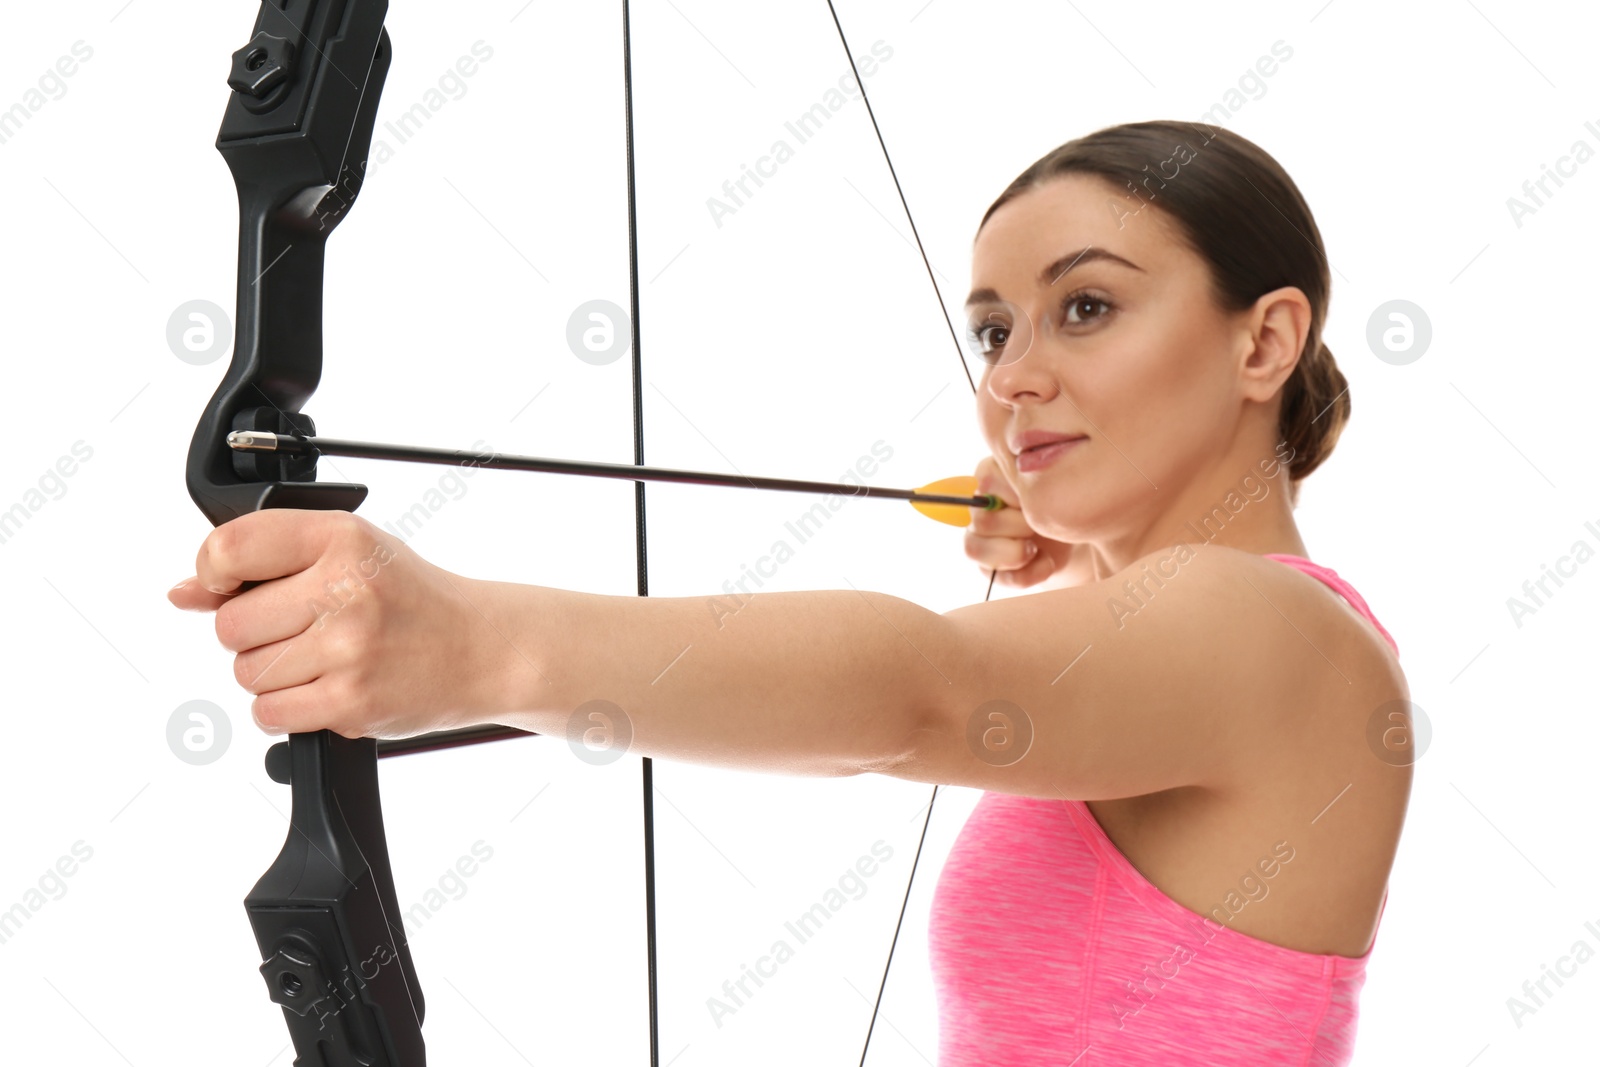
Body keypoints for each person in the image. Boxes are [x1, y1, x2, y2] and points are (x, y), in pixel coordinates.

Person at [169, 119, 1411, 1065]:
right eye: (992, 331)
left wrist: (479, 645)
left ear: (1262, 341)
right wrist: (1090, 556)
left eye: (1086, 307)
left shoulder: (1275, 631)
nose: (1014, 378)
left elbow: (918, 692)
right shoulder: (1200, 639)